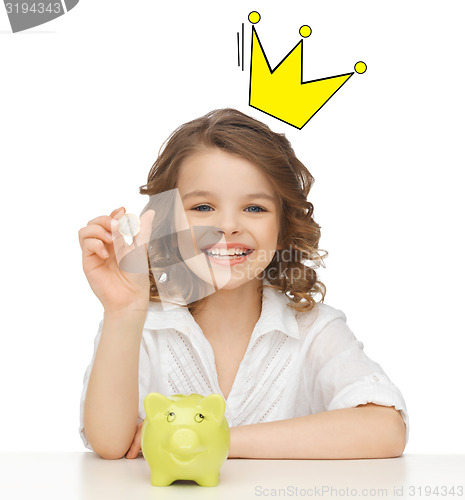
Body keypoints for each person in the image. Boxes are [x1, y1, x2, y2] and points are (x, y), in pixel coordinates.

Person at [78, 108, 409, 460]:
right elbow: (110, 444)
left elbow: (386, 429)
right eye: (203, 207)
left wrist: (216, 438)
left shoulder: (313, 329)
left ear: (283, 229)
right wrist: (123, 310)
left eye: (254, 208)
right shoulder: (139, 323)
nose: (228, 225)